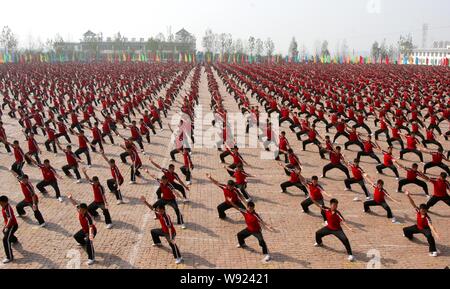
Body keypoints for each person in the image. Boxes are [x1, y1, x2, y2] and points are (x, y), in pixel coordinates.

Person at [140, 197, 183, 264]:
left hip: (170, 233)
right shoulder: (159, 213)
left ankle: (179, 257)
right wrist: (145, 202)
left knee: (172, 244)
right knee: (153, 231)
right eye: (158, 210)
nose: (158, 212)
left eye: (160, 211)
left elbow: (169, 228)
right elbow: (152, 208)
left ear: (163, 210)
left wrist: (171, 237)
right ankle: (158, 242)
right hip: (163, 230)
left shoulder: (166, 217)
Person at [403, 191, 440, 257]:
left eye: (423, 210)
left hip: (425, 229)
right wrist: (408, 195)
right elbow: (413, 203)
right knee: (405, 230)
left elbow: (431, 226)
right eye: (421, 210)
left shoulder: (427, 218)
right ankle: (410, 236)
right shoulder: (418, 211)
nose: (422, 211)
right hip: (418, 227)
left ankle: (433, 251)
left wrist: (435, 233)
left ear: (426, 210)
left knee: (430, 237)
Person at [67, 195, 97, 265]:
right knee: (76, 236)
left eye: (81, 210)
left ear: (85, 210)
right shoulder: (80, 210)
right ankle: (83, 243)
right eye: (79, 209)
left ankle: (91, 258)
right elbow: (75, 204)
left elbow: (91, 227)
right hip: (84, 229)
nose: (79, 211)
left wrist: (90, 236)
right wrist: (71, 198)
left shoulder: (88, 217)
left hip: (91, 231)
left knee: (89, 243)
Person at [0, 195, 18, 264]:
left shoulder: (8, 208)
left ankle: (9, 257)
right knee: (4, 232)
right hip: (8, 225)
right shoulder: (4, 207)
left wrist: (7, 226)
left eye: (1, 203)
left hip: (13, 226)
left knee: (5, 240)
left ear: (4, 202)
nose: (0, 204)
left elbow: (10, 218)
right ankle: (14, 239)